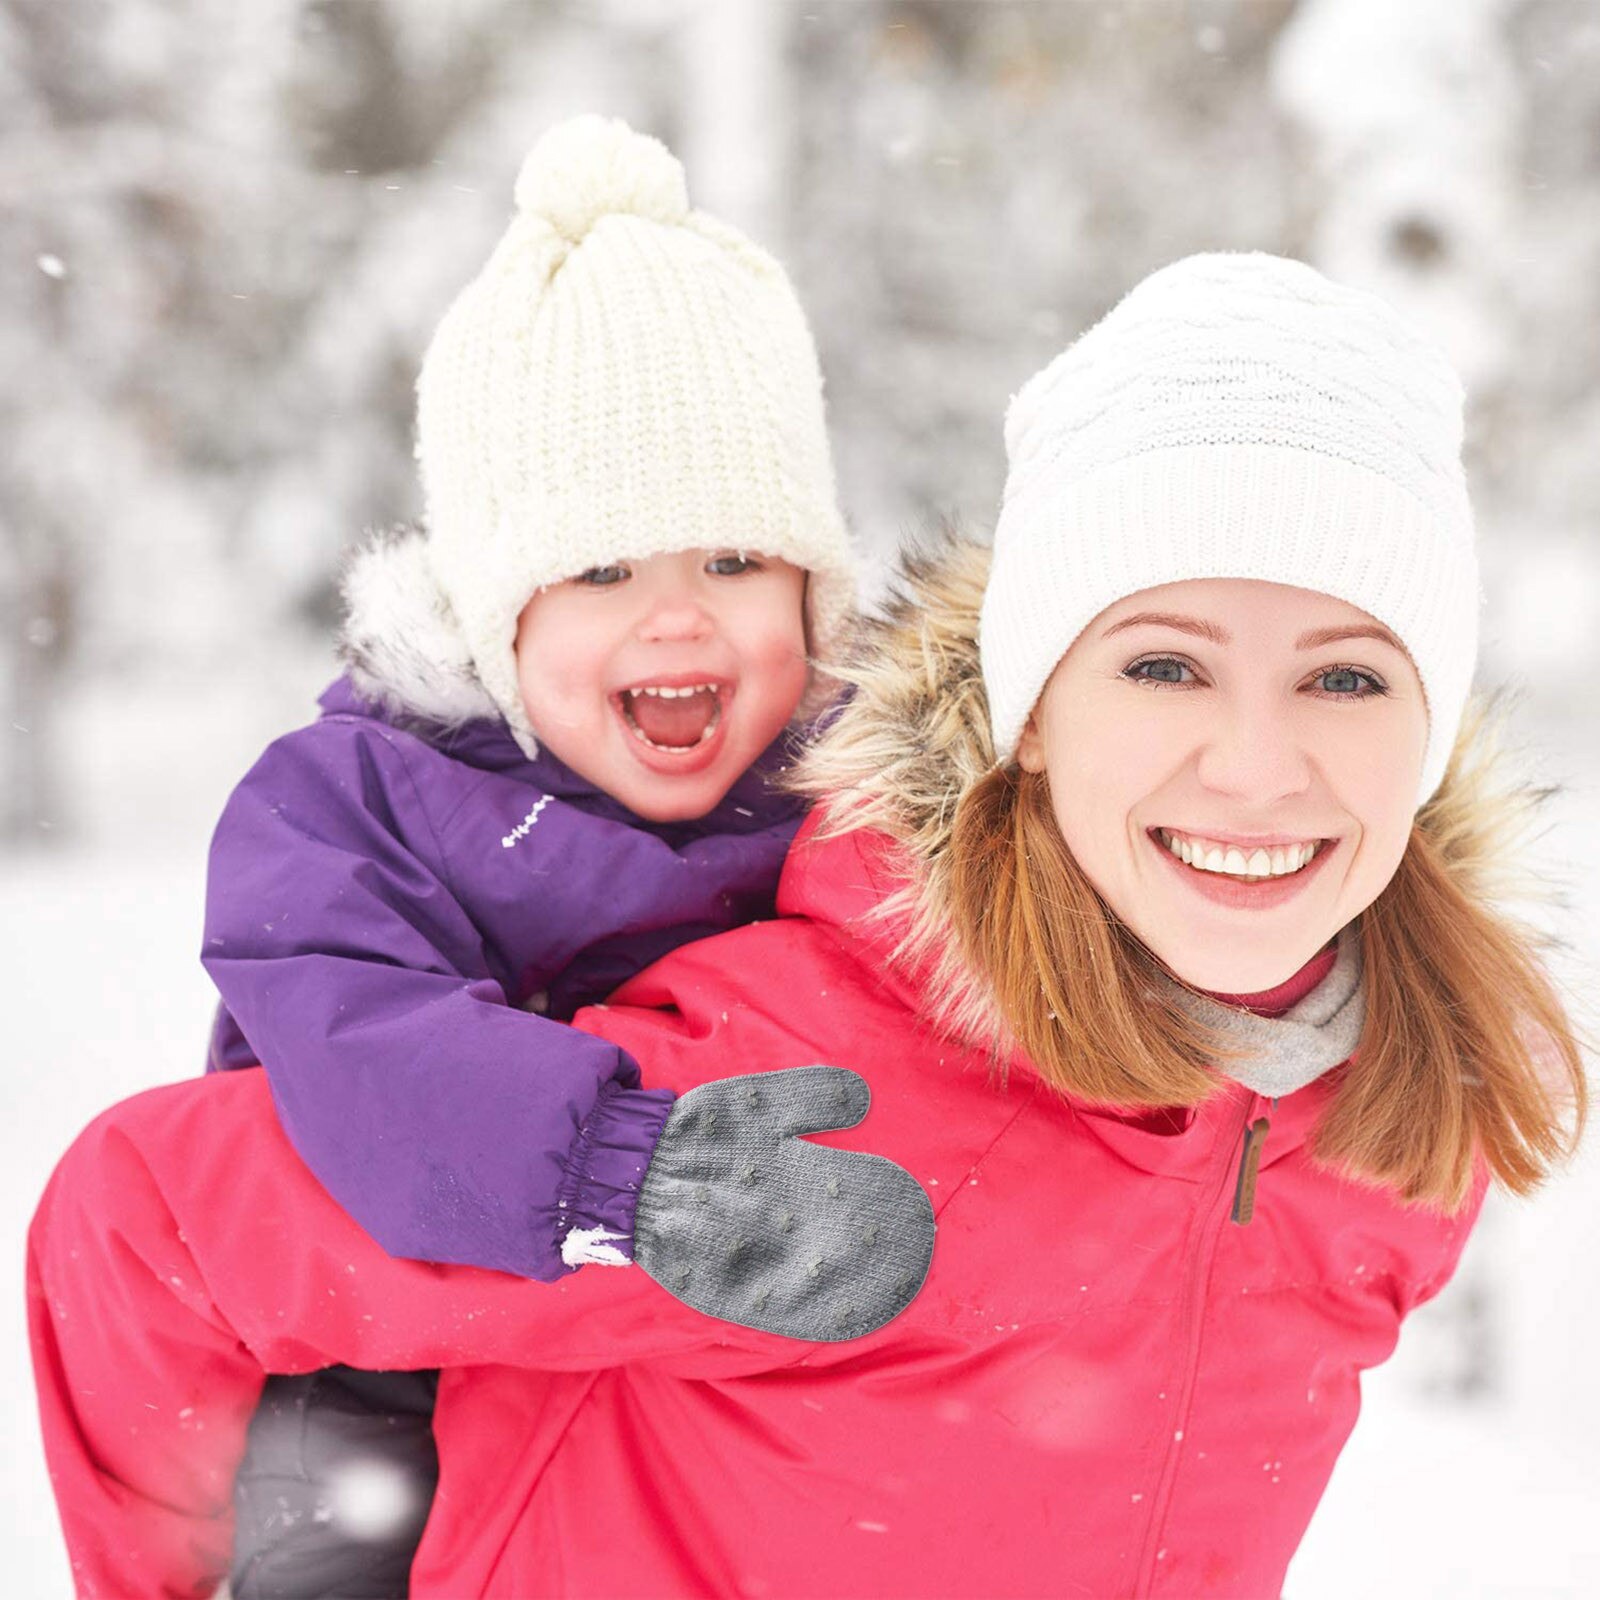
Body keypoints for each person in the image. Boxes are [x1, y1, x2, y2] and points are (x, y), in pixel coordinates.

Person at [30, 253, 1587, 1597]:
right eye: (1165, 667)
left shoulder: (1398, 1121)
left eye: (1347, 676)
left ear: (1434, 727)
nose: (1256, 766)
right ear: (1030, 717)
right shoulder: (804, 1090)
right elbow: (146, 1226)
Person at [111, 111, 930, 1597]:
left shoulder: (850, 797)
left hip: (704, 1378)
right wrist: (617, 1168)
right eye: (603, 569)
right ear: (499, 615)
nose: (676, 617)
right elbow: (367, 1048)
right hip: (392, 1381)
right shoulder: (361, 799)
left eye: (735, 561)